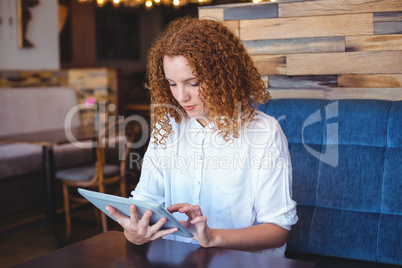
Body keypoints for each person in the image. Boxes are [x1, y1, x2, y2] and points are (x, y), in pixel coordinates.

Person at [106, 16, 298, 258]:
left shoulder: (263, 131)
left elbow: (278, 230)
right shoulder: (168, 125)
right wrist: (134, 232)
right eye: (171, 83)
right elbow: (145, 202)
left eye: (193, 83)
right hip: (176, 259)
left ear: (223, 77)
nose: (181, 96)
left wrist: (213, 237)